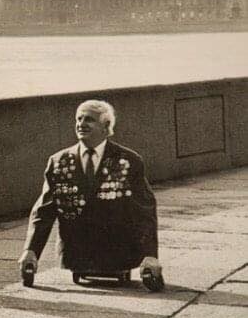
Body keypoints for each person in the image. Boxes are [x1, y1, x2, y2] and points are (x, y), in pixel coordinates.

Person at [18, 100, 162, 286]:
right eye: (79, 119)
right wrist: (30, 251)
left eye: (89, 120)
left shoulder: (129, 160)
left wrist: (150, 256)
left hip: (120, 255)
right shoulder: (58, 161)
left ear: (106, 126)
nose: (81, 124)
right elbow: (43, 211)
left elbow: (145, 211)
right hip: (76, 255)